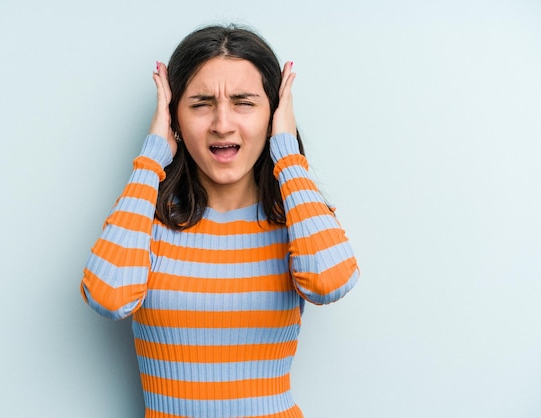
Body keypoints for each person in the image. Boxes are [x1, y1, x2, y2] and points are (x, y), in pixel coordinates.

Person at [80, 24, 359, 418]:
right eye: (200, 103)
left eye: (244, 102)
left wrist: (287, 151)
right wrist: (151, 157)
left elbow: (331, 281)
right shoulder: (146, 219)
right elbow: (108, 296)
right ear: (173, 115)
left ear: (273, 114)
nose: (222, 124)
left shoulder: (297, 220)